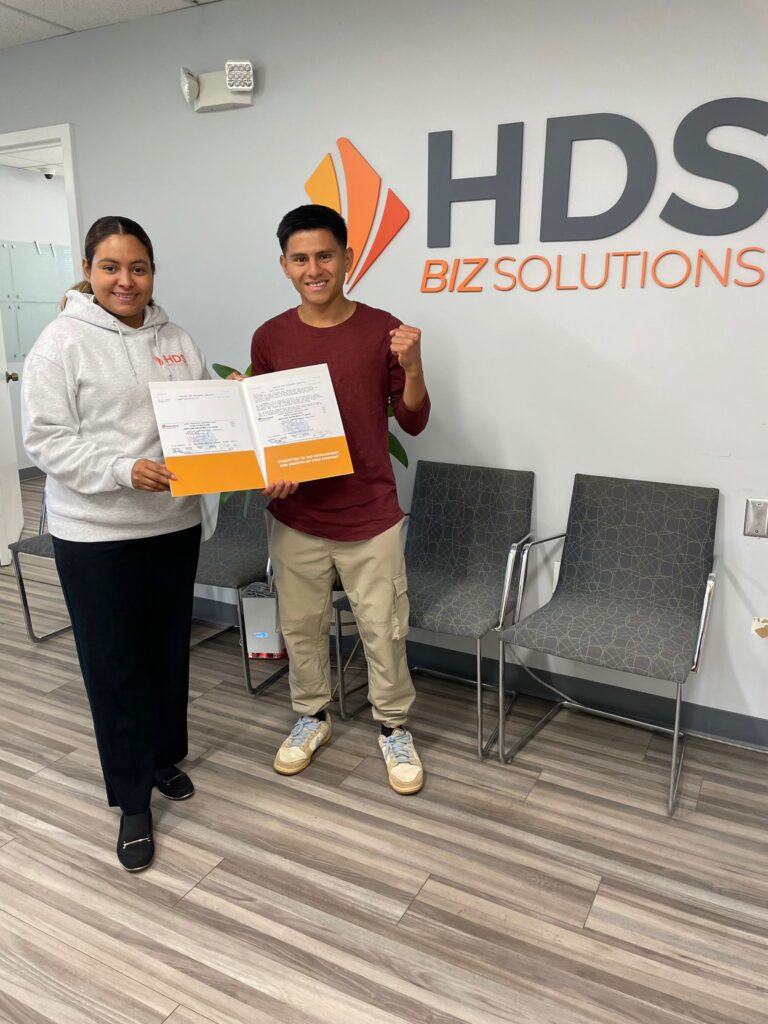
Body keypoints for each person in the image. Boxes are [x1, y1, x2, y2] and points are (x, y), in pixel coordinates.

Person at [22, 215, 208, 872]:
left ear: (152, 271)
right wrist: (121, 470)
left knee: (166, 656)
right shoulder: (59, 344)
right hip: (96, 535)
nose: (126, 281)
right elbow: (46, 441)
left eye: (138, 268)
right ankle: (131, 796)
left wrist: (232, 407)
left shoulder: (176, 339)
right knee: (116, 664)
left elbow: (199, 420)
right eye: (111, 267)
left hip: (173, 526)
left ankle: (160, 759)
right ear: (88, 269)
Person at [251, 203, 430, 794]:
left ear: (348, 258)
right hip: (296, 516)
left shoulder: (384, 329)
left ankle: (393, 727)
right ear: (284, 265)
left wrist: (414, 366)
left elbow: (415, 421)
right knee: (300, 626)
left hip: (370, 514)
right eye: (300, 258)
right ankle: (312, 717)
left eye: (325, 255)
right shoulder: (271, 337)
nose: (314, 268)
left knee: (383, 628)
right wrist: (257, 448)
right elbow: (263, 425)